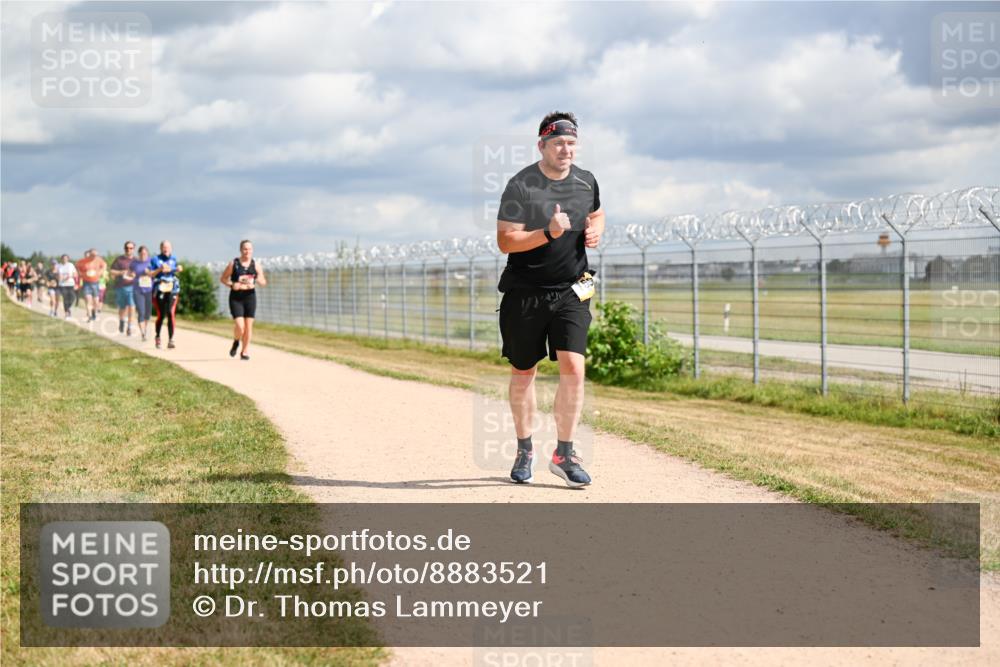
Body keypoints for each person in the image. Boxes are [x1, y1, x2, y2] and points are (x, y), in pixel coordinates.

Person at [495, 111, 605, 488]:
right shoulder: (520, 185)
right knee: (524, 372)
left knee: (574, 367)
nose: (566, 149)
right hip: (525, 293)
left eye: (572, 143)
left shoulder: (586, 181)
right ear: (542, 145)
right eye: (558, 142)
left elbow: (598, 213)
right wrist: (548, 232)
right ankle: (525, 449)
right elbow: (506, 240)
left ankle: (564, 453)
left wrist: (594, 232)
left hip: (574, 289)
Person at [220, 239, 267, 360]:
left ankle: (244, 351)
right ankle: (236, 341)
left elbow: (263, 281)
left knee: (248, 327)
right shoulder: (234, 264)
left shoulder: (255, 265)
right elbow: (223, 278)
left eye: (249, 249)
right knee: (240, 327)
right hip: (236, 298)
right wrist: (232, 284)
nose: (247, 251)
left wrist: (255, 281)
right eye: (245, 249)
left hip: (250, 297)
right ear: (241, 250)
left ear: (252, 250)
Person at [149, 240, 183, 349]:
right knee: (161, 315)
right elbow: (151, 274)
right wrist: (160, 269)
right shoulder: (155, 259)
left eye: (168, 247)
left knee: (170, 313)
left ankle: (171, 340)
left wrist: (178, 269)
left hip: (172, 289)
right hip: (160, 289)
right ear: (160, 248)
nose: (166, 249)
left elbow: (174, 270)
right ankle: (158, 336)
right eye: (164, 247)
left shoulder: (174, 259)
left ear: (171, 249)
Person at [110, 240, 137, 335]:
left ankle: (129, 327)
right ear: (124, 248)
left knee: (132, 306)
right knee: (122, 308)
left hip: (133, 287)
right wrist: (121, 272)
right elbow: (112, 271)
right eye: (127, 248)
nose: (128, 250)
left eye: (131, 248)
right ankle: (122, 321)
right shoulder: (119, 259)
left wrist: (135, 274)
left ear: (134, 249)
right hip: (120, 287)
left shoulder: (137, 261)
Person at [131, 245, 154, 341]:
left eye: (145, 253)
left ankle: (145, 327)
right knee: (141, 311)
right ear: (139, 254)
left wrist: (150, 272)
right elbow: (130, 272)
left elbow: (156, 272)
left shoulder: (151, 262)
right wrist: (131, 274)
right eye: (141, 253)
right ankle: (143, 333)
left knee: (147, 314)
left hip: (149, 290)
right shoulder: (134, 263)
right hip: (138, 290)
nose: (143, 255)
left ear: (147, 254)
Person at [75, 249, 106, 322]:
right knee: (88, 299)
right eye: (92, 255)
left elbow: (104, 265)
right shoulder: (83, 261)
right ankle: (89, 316)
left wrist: (101, 272)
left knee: (96, 301)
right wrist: (80, 273)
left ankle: (94, 313)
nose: (94, 257)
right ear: (89, 254)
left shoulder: (99, 260)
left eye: (95, 255)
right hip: (86, 283)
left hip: (96, 283)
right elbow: (76, 266)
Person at [56, 254, 79, 319]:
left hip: (71, 284)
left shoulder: (71, 265)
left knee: (72, 298)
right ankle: (66, 313)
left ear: (68, 259)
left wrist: (70, 277)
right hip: (63, 285)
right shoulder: (59, 266)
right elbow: (57, 275)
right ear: (61, 259)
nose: (64, 259)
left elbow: (76, 274)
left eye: (66, 258)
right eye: (63, 258)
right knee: (65, 299)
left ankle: (68, 308)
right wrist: (60, 278)